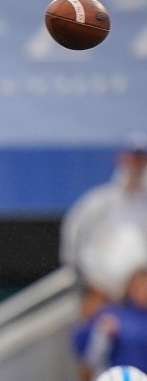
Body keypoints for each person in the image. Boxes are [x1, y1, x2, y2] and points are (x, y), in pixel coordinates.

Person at [60, 131, 147, 318]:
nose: (138, 164)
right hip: (102, 296)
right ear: (122, 158)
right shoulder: (98, 202)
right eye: (134, 157)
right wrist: (86, 282)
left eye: (142, 158)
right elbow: (73, 246)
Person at [73, 253, 147, 381]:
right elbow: (86, 355)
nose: (144, 290)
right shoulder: (112, 313)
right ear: (130, 287)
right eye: (140, 285)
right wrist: (101, 334)